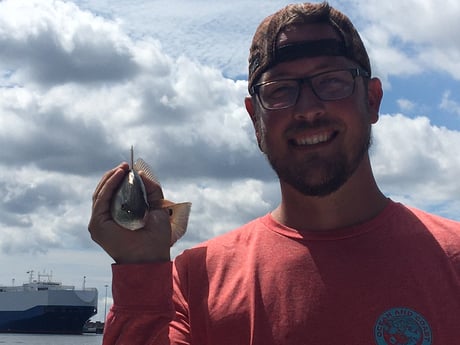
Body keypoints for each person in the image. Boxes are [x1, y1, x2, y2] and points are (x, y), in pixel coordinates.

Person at [88, 2, 460, 344]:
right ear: (255, 119)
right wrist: (139, 268)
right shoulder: (196, 278)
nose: (309, 108)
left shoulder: (453, 258)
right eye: (280, 90)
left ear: (373, 99)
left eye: (331, 81)